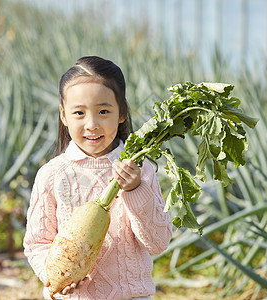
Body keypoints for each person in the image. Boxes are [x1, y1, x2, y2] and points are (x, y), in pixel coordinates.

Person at [23, 56, 172, 300]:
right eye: (79, 113)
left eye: (103, 111)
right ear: (63, 115)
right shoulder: (52, 175)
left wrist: (135, 190)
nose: (92, 124)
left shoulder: (140, 171)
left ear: (122, 112)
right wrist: (55, 277)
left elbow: (158, 243)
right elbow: (37, 243)